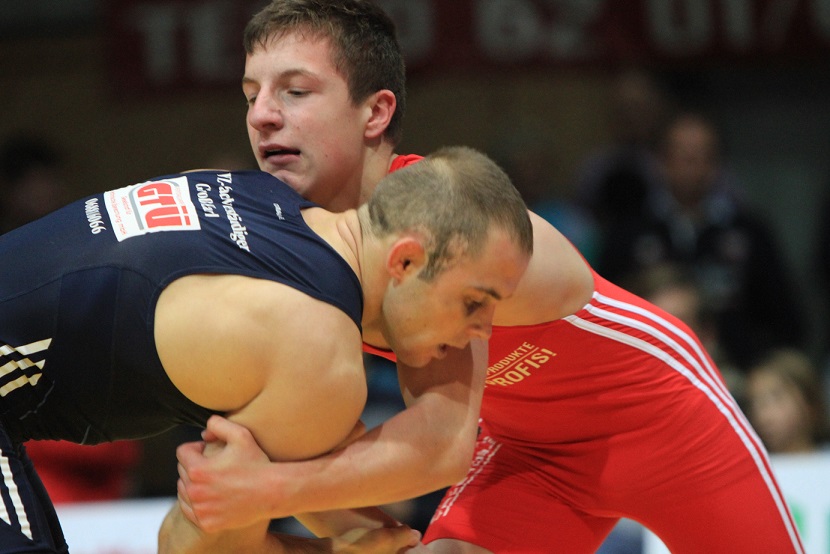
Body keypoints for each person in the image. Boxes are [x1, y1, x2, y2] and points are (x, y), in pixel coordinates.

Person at [174, 1, 805, 552]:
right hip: (529, 453)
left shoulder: (442, 217)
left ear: (375, 113)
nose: (262, 115)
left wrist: (268, 491)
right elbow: (310, 438)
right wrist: (328, 520)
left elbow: (439, 445)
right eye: (250, 94)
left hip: (665, 423)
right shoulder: (292, 248)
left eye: (294, 91)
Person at [0, 146, 533, 553]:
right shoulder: (318, 351)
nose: (483, 331)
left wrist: (360, 535)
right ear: (406, 262)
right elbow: (187, 548)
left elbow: (306, 470)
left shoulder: (255, 192)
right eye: (474, 301)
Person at [595, 111, 807, 370]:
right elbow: (603, 316)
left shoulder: (749, 231)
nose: (692, 164)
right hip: (647, 372)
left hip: (735, 374)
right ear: (660, 161)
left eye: (703, 155)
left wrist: (758, 371)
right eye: (682, 154)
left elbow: (786, 320)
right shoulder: (628, 232)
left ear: (718, 164)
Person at [745, 349, 830, 454]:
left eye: (776, 398)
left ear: (809, 401)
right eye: (754, 404)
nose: (762, 416)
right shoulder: (751, 462)